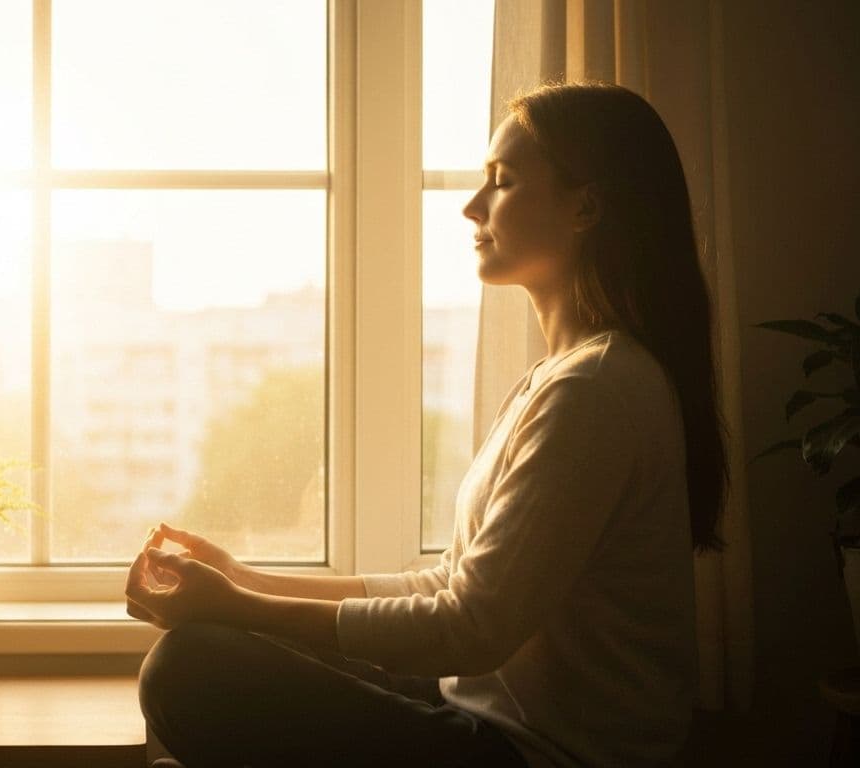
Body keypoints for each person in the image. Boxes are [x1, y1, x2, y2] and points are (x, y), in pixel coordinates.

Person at [125, 81, 727, 768]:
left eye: (502, 182)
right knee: (208, 654)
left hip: (533, 755)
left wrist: (239, 607)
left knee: (187, 667)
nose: (473, 207)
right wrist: (248, 581)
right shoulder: (562, 377)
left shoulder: (595, 390)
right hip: (479, 714)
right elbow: (448, 585)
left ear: (584, 207)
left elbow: (470, 629)